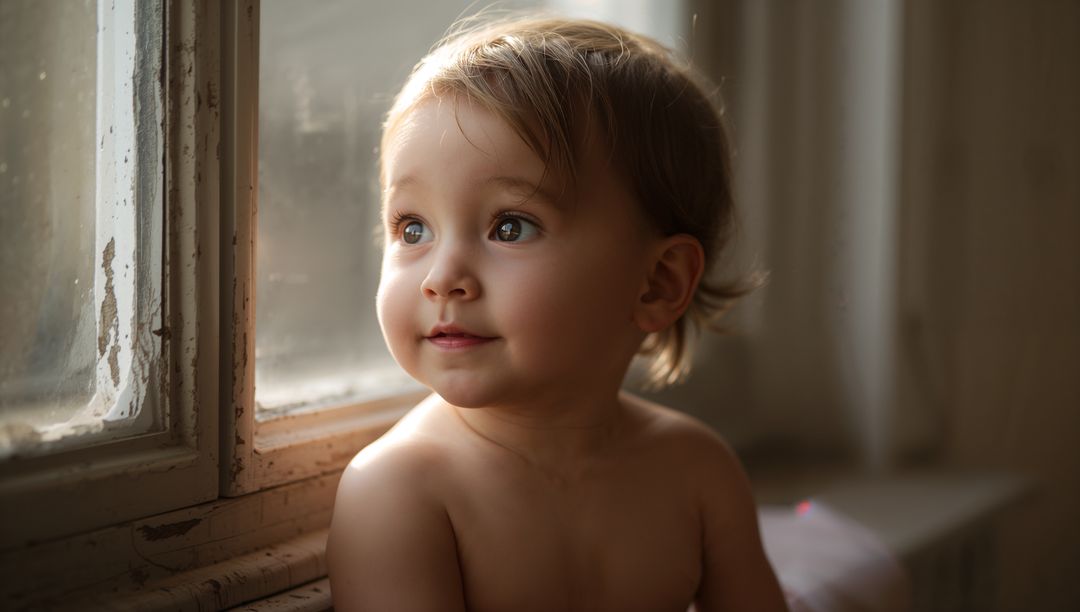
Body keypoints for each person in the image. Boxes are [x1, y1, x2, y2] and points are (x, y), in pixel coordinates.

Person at [327, 14, 788, 612]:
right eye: (413, 227)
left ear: (657, 283)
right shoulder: (400, 492)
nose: (441, 278)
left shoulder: (698, 473)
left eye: (510, 227)